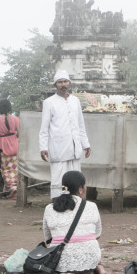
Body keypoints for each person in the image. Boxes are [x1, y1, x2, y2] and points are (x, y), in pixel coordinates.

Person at [42, 170, 114, 274]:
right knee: (90, 242)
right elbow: (97, 234)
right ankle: (99, 269)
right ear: (80, 189)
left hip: (59, 262)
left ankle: (94, 268)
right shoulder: (91, 206)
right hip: (89, 260)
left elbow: (48, 238)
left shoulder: (49, 208)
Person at [39, 70, 91, 198]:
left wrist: (86, 144)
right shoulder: (49, 102)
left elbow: (80, 125)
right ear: (55, 85)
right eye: (60, 82)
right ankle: (57, 204)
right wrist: (43, 147)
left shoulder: (75, 101)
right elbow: (44, 128)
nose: (63, 84)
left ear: (69, 83)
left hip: (74, 147)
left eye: (65, 81)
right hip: (58, 148)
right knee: (58, 179)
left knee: (76, 178)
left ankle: (76, 204)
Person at [0, 99, 19, 199]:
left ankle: (13, 187)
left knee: (5, 169)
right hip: (15, 145)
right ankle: (10, 190)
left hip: (2, 146)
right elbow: (19, 133)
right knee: (14, 169)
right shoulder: (15, 119)